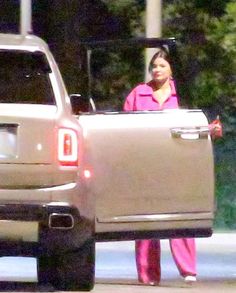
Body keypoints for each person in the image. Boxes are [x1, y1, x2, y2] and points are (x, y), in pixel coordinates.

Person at [123, 47, 197, 285]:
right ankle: (148, 274)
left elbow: (198, 123)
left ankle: (188, 269)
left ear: (172, 69)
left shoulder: (182, 94)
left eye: (162, 65)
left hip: (177, 163)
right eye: (154, 66)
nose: (157, 69)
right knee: (147, 220)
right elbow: (122, 126)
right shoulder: (139, 93)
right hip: (146, 165)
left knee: (180, 216)